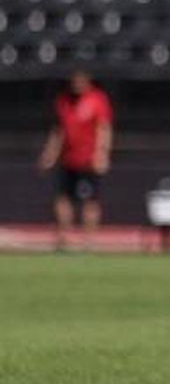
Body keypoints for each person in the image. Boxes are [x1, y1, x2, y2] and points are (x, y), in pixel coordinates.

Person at [36, 69, 113, 251]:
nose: (76, 84)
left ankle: (89, 243)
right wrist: (50, 155)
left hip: (88, 161)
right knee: (63, 199)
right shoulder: (63, 100)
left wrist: (102, 154)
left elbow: (104, 128)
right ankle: (62, 240)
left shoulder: (97, 99)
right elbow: (58, 131)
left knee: (90, 201)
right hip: (68, 160)